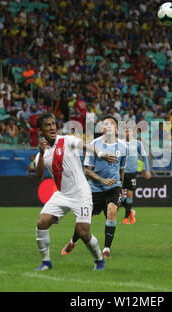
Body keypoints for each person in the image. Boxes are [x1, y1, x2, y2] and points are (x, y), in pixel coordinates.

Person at [34, 113, 117, 271]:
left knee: (83, 231)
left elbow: (85, 145)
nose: (52, 127)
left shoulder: (66, 140)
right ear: (40, 130)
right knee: (41, 222)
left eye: (53, 124)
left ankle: (99, 260)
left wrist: (100, 153)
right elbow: (38, 175)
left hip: (81, 193)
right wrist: (42, 153)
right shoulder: (41, 153)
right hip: (61, 194)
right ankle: (46, 262)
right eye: (47, 125)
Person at [61, 115, 127, 259]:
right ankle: (73, 242)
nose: (109, 126)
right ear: (102, 128)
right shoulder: (94, 145)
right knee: (84, 221)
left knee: (112, 213)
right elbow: (87, 170)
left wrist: (120, 187)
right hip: (94, 188)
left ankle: (106, 249)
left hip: (113, 187)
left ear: (116, 129)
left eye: (112, 124)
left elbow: (122, 169)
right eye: (106, 124)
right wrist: (102, 180)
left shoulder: (123, 146)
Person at [121, 127, 151, 225]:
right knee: (120, 197)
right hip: (121, 173)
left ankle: (126, 218)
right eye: (125, 131)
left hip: (132, 173)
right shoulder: (119, 143)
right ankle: (130, 211)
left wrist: (147, 170)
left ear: (132, 132)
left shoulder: (138, 143)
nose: (127, 132)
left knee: (129, 195)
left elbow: (145, 157)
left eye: (128, 130)